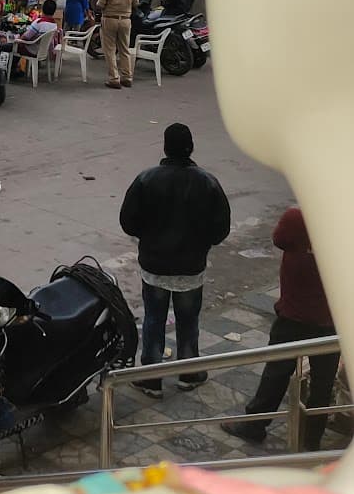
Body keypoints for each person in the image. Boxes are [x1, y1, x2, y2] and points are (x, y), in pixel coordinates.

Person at [120, 122, 231, 396]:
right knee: (188, 319)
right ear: (191, 148)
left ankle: (151, 377)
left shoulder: (146, 179)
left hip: (155, 266)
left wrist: (148, 237)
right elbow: (221, 229)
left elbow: (128, 222)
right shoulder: (207, 183)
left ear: (165, 148)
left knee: (154, 319)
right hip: (191, 269)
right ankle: (189, 372)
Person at [221, 208, 339, 450]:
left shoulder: (298, 218)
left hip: (295, 316)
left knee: (276, 373)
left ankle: (255, 425)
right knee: (322, 383)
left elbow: (279, 239)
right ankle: (311, 439)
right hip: (331, 321)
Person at [97, 0, 138, 89]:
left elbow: (100, 5)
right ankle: (127, 77)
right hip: (126, 20)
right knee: (124, 49)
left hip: (109, 19)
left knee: (109, 50)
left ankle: (114, 78)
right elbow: (136, 4)